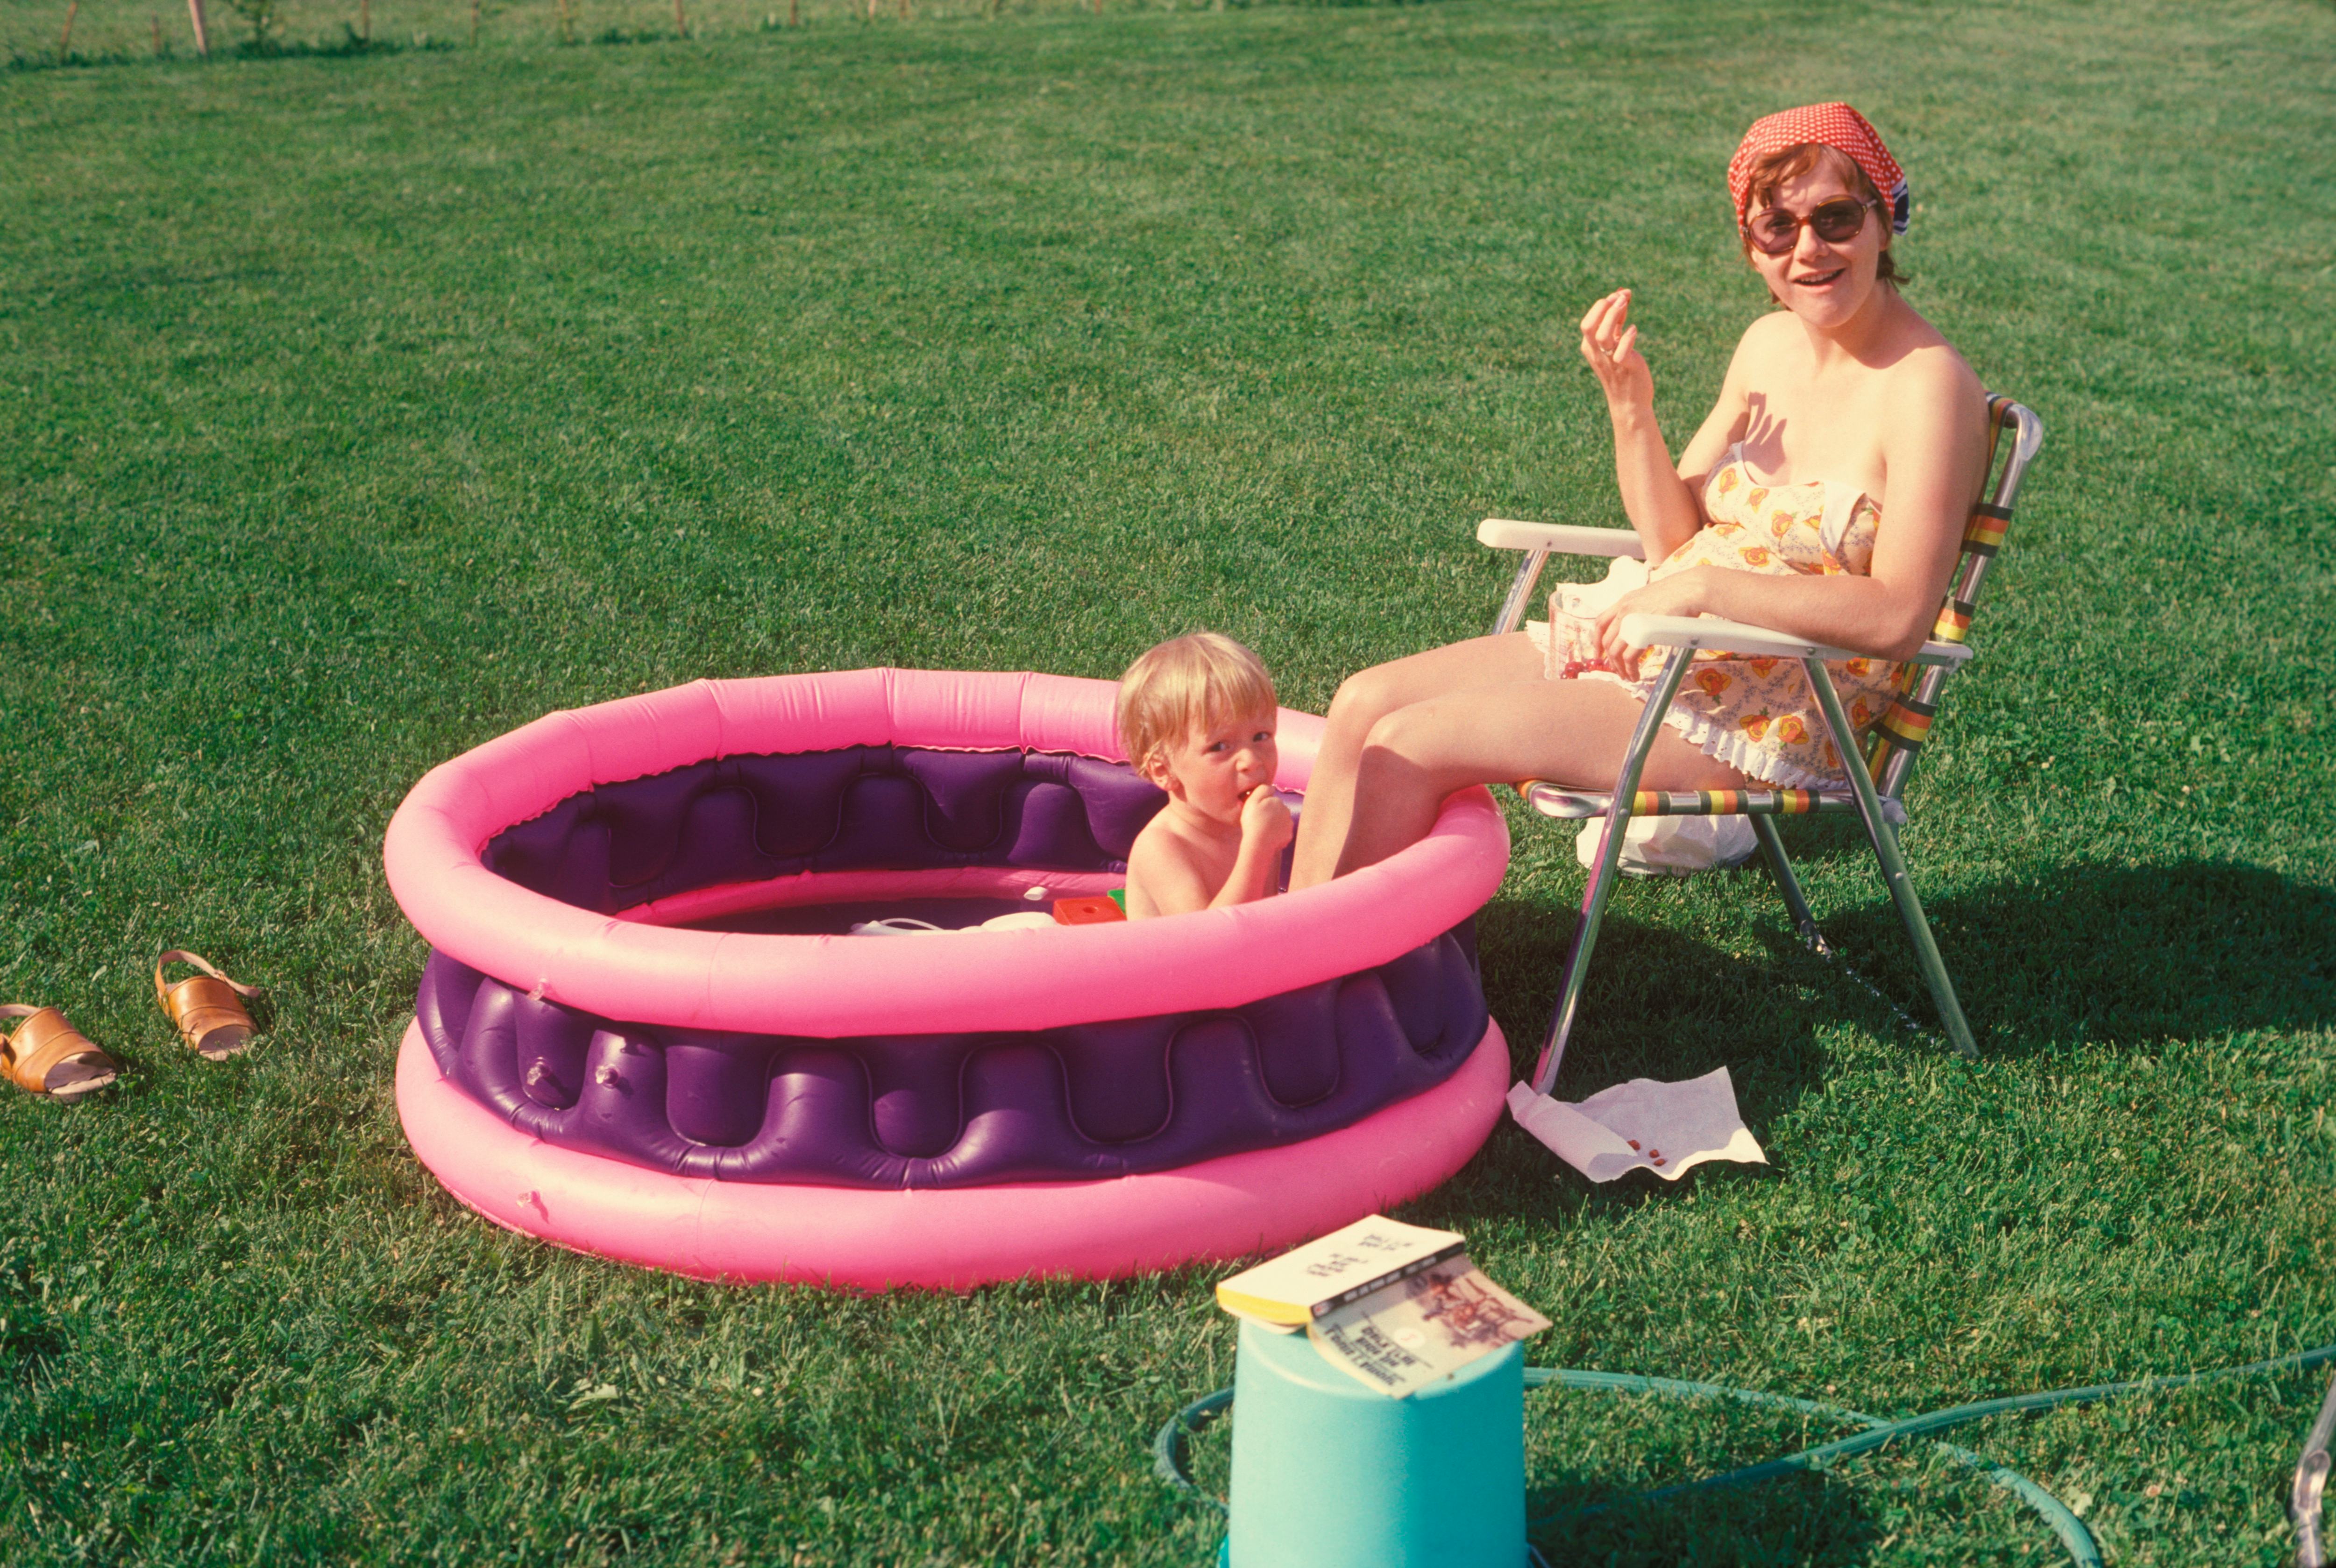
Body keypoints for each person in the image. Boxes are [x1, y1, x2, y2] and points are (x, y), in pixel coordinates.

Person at [1289, 103, 1989, 890]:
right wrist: (1630, 408)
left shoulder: (1926, 388)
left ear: (1883, 224)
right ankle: (1275, 947)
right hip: (1660, 644)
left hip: (1770, 710)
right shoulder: (1767, 345)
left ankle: (1322, 981)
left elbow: (1897, 617)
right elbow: (1673, 536)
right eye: (1777, 229)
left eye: (1834, 218)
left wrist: (1702, 589)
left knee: (1413, 742)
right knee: (1360, 705)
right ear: (1749, 248)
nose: (1808, 250)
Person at [1118, 632, 1295, 920]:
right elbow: (1210, 947)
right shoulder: (1163, 847)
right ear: (1164, 771)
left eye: (1261, 736)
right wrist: (1259, 849)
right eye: (1220, 746)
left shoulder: (1257, 825)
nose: (1251, 761)